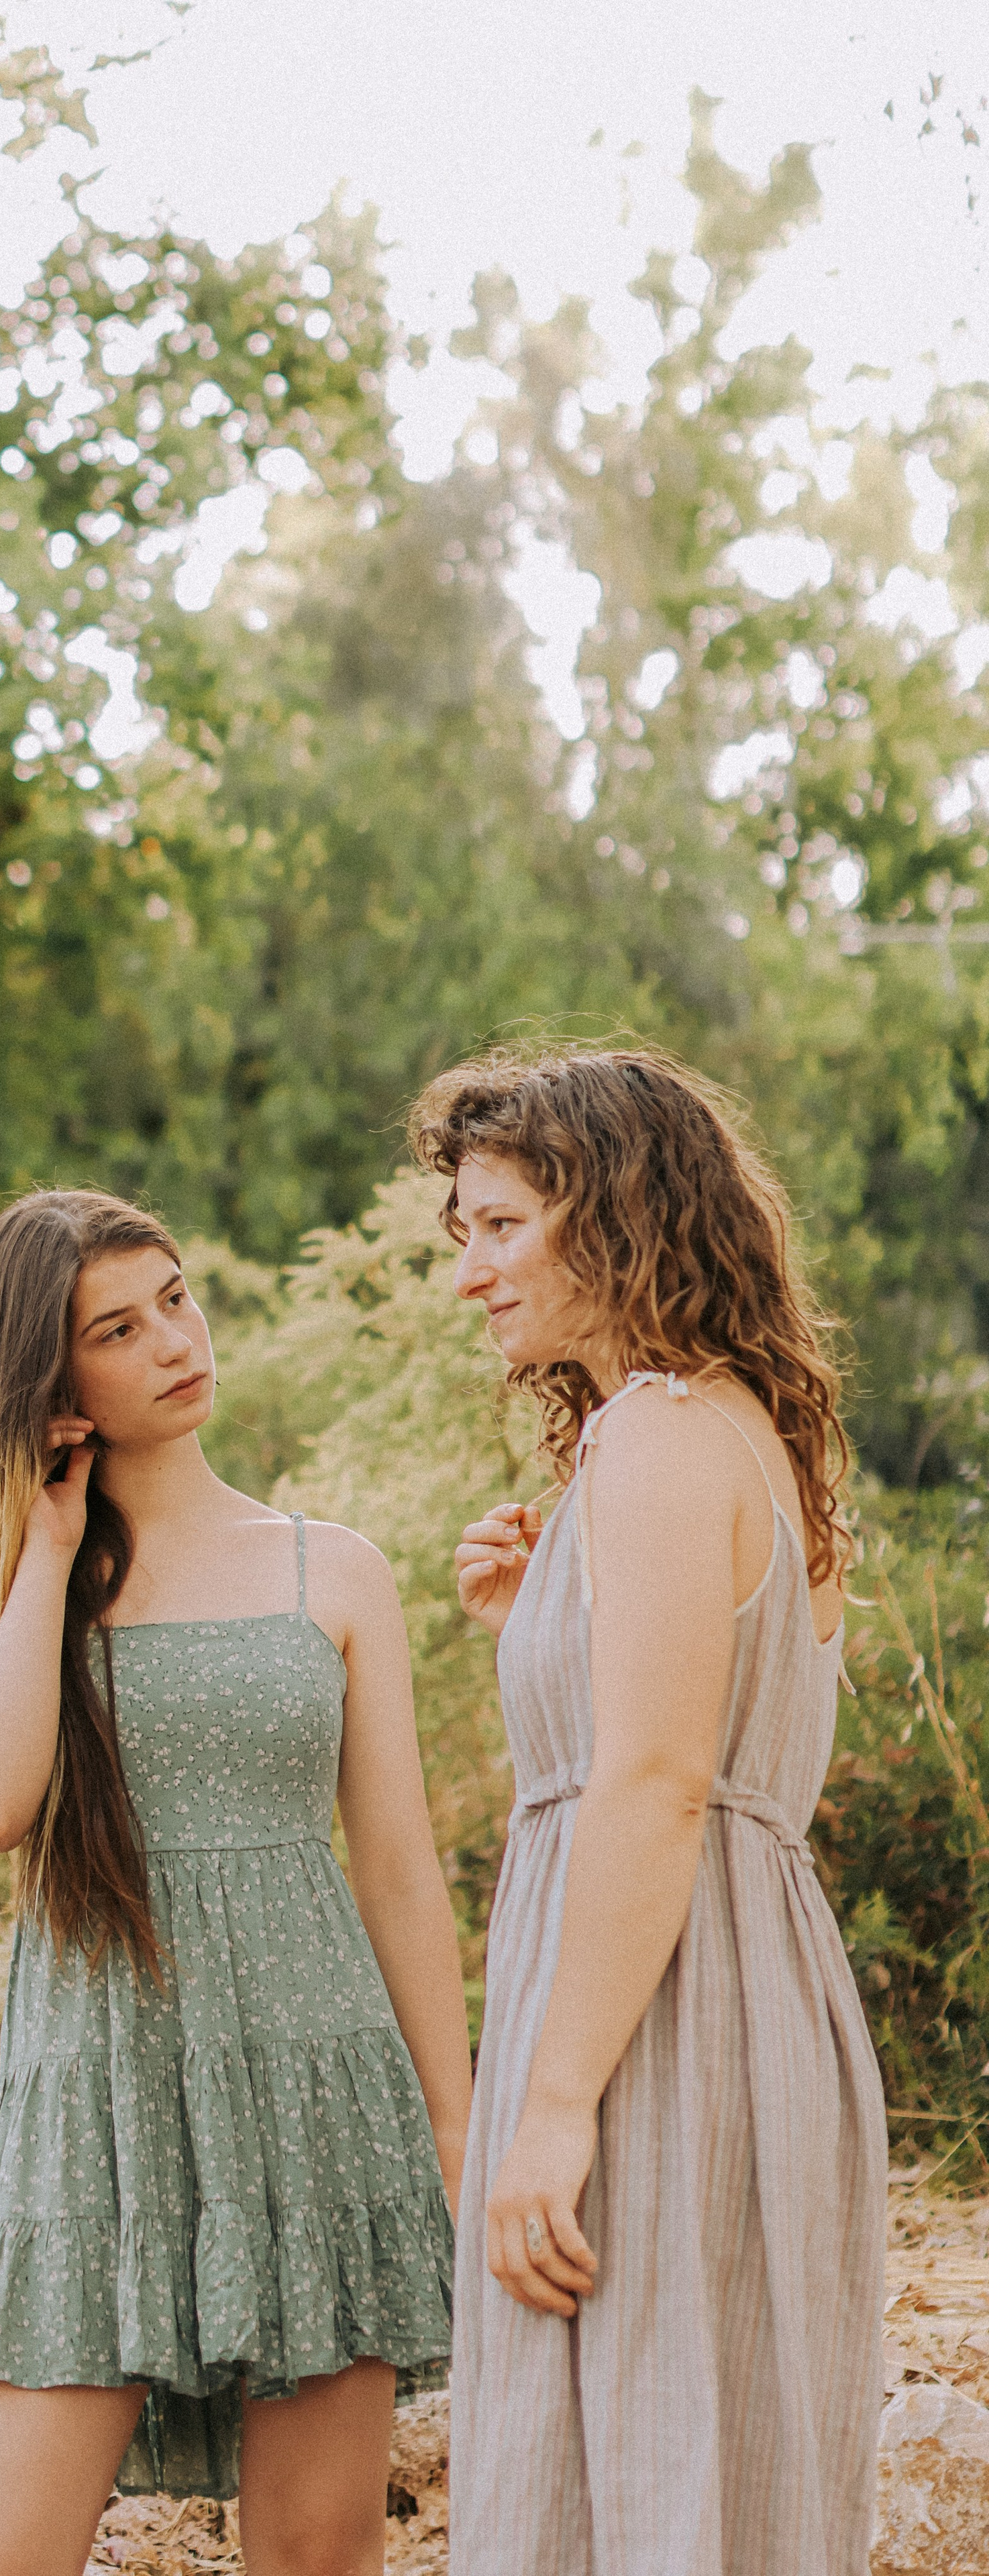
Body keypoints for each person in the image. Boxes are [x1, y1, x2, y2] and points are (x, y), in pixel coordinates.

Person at [0, 1189, 471, 2576]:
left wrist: (458, 2140)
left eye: (174, 1295)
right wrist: (47, 1550)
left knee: (316, 2558)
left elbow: (398, 1875)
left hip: (313, 2098)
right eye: (117, 1327)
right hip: (95, 2109)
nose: (173, 1339)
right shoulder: (11, 1584)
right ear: (55, 1387)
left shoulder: (328, 1570)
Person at [417, 1046, 886, 2576]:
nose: (468, 1274)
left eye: (499, 1227)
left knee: (640, 2468)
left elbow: (656, 1786)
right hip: (708, 1996)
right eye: (460, 1235)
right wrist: (529, 1629)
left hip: (660, 2027)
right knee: (682, 2461)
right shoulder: (730, 1431)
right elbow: (678, 1744)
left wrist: (548, 2107)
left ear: (607, 1214)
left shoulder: (659, 1437)